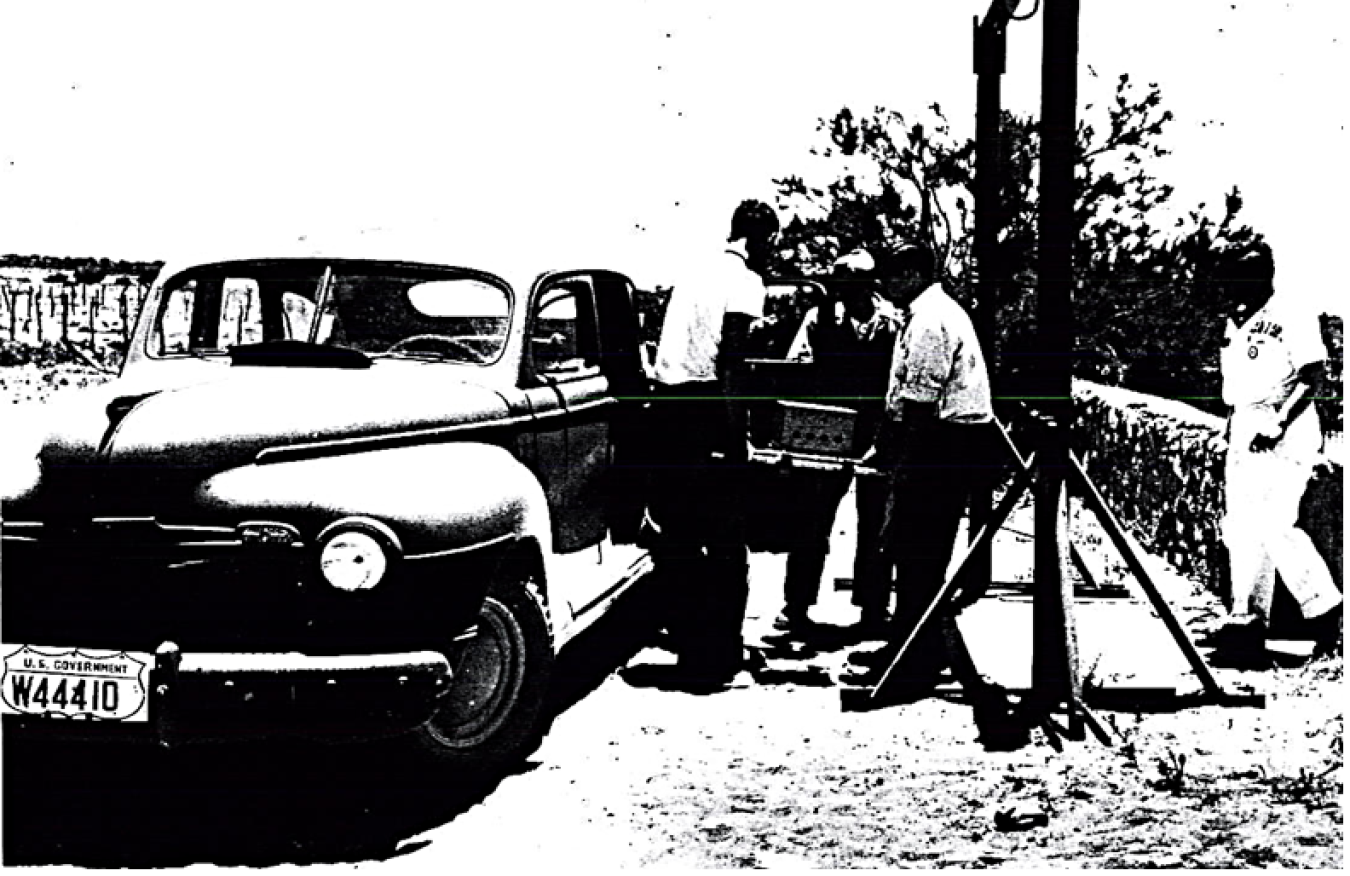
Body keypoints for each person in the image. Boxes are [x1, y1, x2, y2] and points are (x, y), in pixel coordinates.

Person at [844, 242, 1002, 700]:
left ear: (914, 273)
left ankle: (916, 663)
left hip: (944, 445)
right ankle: (905, 645)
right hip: (934, 441)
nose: (884, 284)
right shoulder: (921, 312)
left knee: (919, 555)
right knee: (909, 555)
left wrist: (903, 467)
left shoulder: (933, 318)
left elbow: (920, 404)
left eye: (893, 274)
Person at [638, 199, 782, 690]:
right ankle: (719, 657)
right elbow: (732, 363)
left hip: (667, 413)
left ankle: (691, 646)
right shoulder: (744, 281)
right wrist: (736, 435)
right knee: (725, 543)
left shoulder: (694, 272)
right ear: (761, 238)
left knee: (679, 537)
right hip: (704, 413)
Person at [1211, 242, 1342, 661]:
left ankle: (1326, 608)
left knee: (1276, 523)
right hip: (1244, 427)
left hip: (1283, 428)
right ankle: (1247, 618)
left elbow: (1311, 375)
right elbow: (1238, 386)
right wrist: (1230, 431)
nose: (1237, 283)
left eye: (1246, 273)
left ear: (1266, 273)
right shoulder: (1236, 320)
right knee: (1243, 529)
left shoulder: (1291, 313)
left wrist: (1279, 422)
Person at [768, 249, 898, 641]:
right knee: (811, 519)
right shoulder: (818, 319)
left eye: (855, 283)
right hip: (828, 430)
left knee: (876, 523)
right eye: (841, 283)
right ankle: (797, 607)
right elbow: (797, 369)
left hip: (877, 430)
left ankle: (874, 609)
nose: (847, 291)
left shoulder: (893, 323)